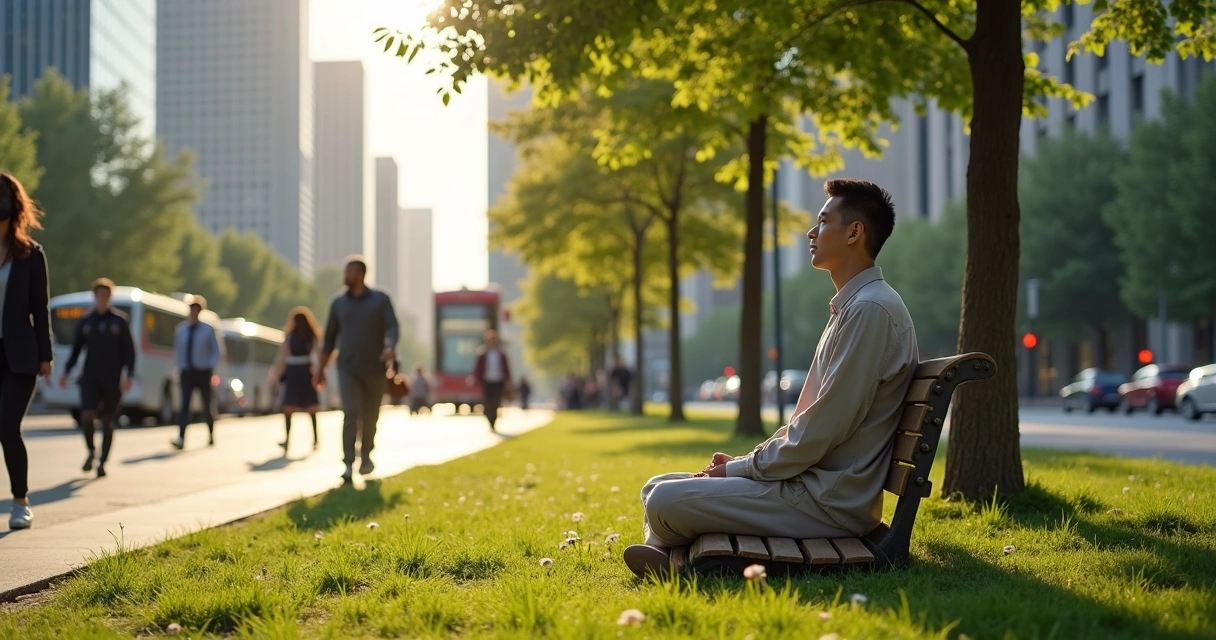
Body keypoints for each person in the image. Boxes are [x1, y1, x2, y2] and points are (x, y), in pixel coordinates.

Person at [623, 179, 919, 579]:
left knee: (662, 501)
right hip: (809, 486)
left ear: (854, 232)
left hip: (827, 501)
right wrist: (745, 465)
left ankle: (667, 556)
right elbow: (809, 427)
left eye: (823, 221)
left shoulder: (870, 311)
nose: (811, 233)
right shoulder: (854, 308)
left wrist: (740, 469)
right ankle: (664, 556)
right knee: (655, 486)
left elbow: (820, 431)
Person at [0, 172, 52, 530]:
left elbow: (40, 307)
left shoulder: (31, 254)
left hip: (19, 355)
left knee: (7, 427)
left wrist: (45, 356)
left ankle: (20, 501)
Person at [316, 256, 398, 482]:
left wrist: (390, 346)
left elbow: (392, 327)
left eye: (348, 272)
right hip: (348, 368)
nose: (345, 276)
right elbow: (329, 339)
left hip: (375, 368)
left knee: (371, 415)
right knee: (351, 412)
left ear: (360, 274)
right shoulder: (338, 303)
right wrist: (320, 369)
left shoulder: (380, 300)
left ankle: (367, 456)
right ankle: (348, 463)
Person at [59, 278, 135, 477]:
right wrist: (66, 371)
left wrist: (130, 374)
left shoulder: (119, 321)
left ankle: (103, 462)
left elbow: (129, 351)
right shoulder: (86, 321)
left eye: (106, 294)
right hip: (90, 377)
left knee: (108, 421)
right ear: (95, 296)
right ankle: (91, 451)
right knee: (87, 416)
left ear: (110, 297)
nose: (102, 298)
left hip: (112, 378)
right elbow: (76, 350)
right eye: (99, 294)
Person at [170, 296, 223, 450]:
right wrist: (179, 367)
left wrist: (209, 366)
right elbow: (178, 351)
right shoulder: (181, 330)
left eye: (196, 309)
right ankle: (181, 437)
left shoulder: (208, 329)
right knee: (184, 406)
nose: (194, 312)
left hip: (203, 371)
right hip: (187, 371)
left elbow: (216, 351)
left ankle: (211, 434)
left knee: (207, 404)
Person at [270, 307, 322, 453]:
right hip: (301, 372)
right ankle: (310, 439)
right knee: (302, 408)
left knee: (298, 408)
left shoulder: (306, 336)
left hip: (299, 372)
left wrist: (275, 375)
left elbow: (282, 358)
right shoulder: (296, 336)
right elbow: (284, 356)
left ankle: (296, 440)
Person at [471, 330, 511, 432]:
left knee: (496, 402)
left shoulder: (501, 353)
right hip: (487, 381)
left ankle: (494, 421)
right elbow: (478, 368)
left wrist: (508, 381)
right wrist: (475, 378)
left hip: (498, 381)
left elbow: (506, 368)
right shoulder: (482, 353)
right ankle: (489, 419)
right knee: (487, 403)